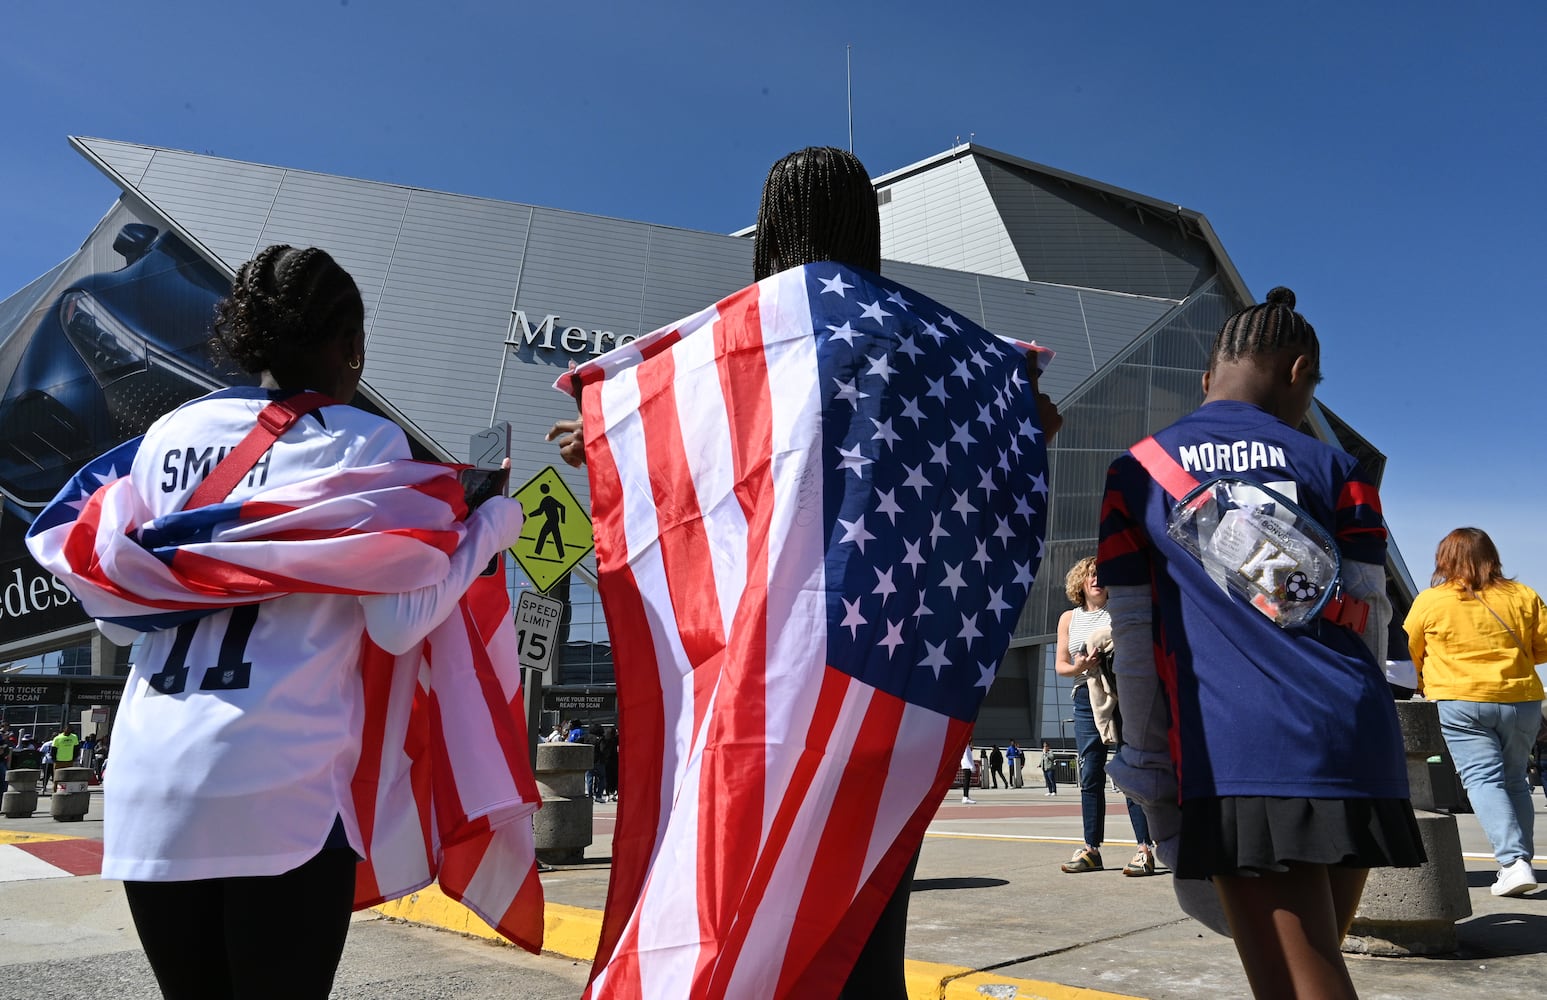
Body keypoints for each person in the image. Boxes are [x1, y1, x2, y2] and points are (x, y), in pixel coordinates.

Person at [549, 146, 1059, 1000]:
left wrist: (604, 440)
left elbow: (694, 467)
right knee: (867, 903)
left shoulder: (749, 332)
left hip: (770, 678)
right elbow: (1008, 450)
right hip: (893, 680)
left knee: (736, 882)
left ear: (772, 224)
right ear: (867, 224)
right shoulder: (942, 346)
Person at [29, 245, 525, 1000]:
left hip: (150, 779)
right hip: (280, 779)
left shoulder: (162, 439)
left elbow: (126, 622)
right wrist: (491, 525)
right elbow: (399, 623)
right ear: (350, 349)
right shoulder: (361, 444)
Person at [1101, 287, 1425, 1000]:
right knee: (1317, 965)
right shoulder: (1342, 473)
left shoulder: (1135, 473)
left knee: (1296, 984)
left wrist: (1147, 766)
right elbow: (1366, 619)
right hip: (1354, 740)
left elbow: (1131, 635)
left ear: (1206, 377)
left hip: (1241, 752)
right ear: (1299, 370)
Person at [1406, 527, 1547, 897]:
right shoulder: (1523, 595)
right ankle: (1520, 864)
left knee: (1485, 780)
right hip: (1520, 700)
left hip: (1459, 700)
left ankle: (1513, 862)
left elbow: (1411, 650)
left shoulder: (1431, 601)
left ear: (1444, 559)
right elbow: (1543, 647)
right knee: (1516, 780)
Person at [1054, 556, 1157, 877]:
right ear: (1080, 583)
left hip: (1122, 690)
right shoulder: (1068, 618)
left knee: (1127, 768)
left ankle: (1144, 848)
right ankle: (1091, 849)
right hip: (1086, 695)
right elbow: (1061, 666)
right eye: (1090, 575)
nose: (1096, 580)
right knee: (1090, 772)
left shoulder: (1119, 611)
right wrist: (1081, 667)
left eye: (1102, 575)